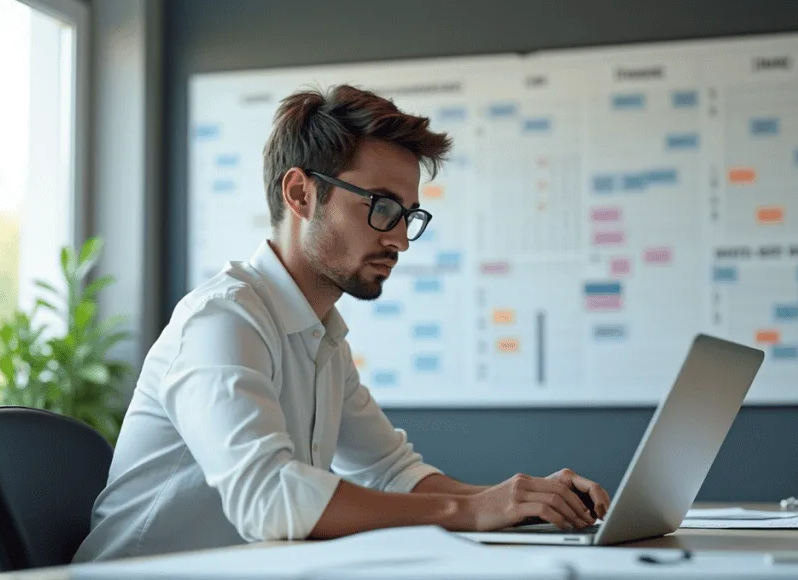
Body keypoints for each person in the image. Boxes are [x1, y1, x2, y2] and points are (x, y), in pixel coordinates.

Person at [73, 84, 611, 563]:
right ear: (301, 194)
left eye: (408, 215)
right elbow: (270, 500)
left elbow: (393, 474)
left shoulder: (322, 337)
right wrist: (471, 512)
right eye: (381, 206)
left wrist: (519, 500)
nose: (399, 239)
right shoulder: (221, 320)